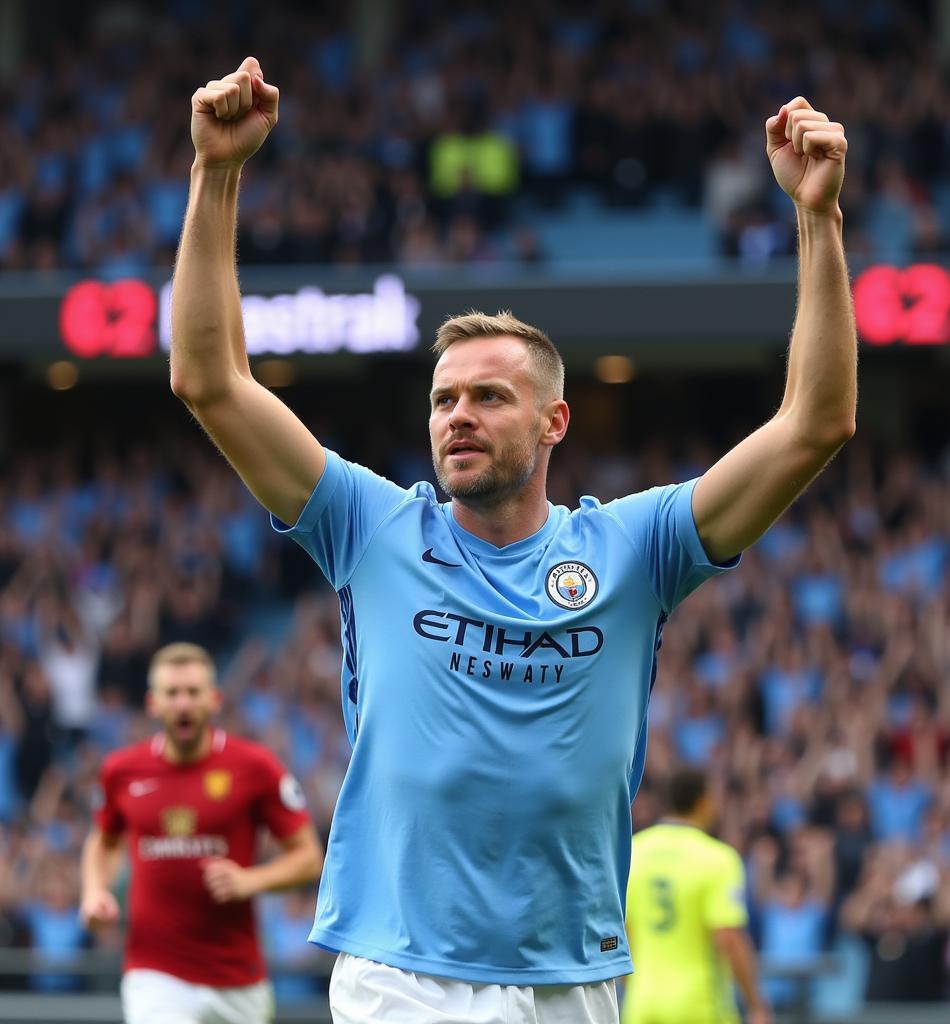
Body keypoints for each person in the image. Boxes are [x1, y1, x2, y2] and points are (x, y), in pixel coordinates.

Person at [170, 55, 855, 1024]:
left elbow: (815, 423)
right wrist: (216, 173)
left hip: (570, 978)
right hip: (398, 969)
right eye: (443, 398)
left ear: (553, 423)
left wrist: (816, 220)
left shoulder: (635, 547)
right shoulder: (367, 523)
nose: (457, 415)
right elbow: (208, 379)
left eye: (489, 396)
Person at [79, 642, 324, 1024]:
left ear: (214, 700)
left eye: (193, 692)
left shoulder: (255, 767)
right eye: (172, 693)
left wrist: (251, 880)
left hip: (238, 979)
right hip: (155, 974)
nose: (182, 704)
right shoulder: (121, 771)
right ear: (152, 703)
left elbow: (309, 857)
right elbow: (104, 840)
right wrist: (95, 890)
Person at [624, 766, 771, 1024]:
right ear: (703, 802)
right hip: (700, 1008)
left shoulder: (633, 852)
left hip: (642, 1006)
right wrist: (756, 1005)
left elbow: (625, 932)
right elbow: (728, 937)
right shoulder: (718, 859)